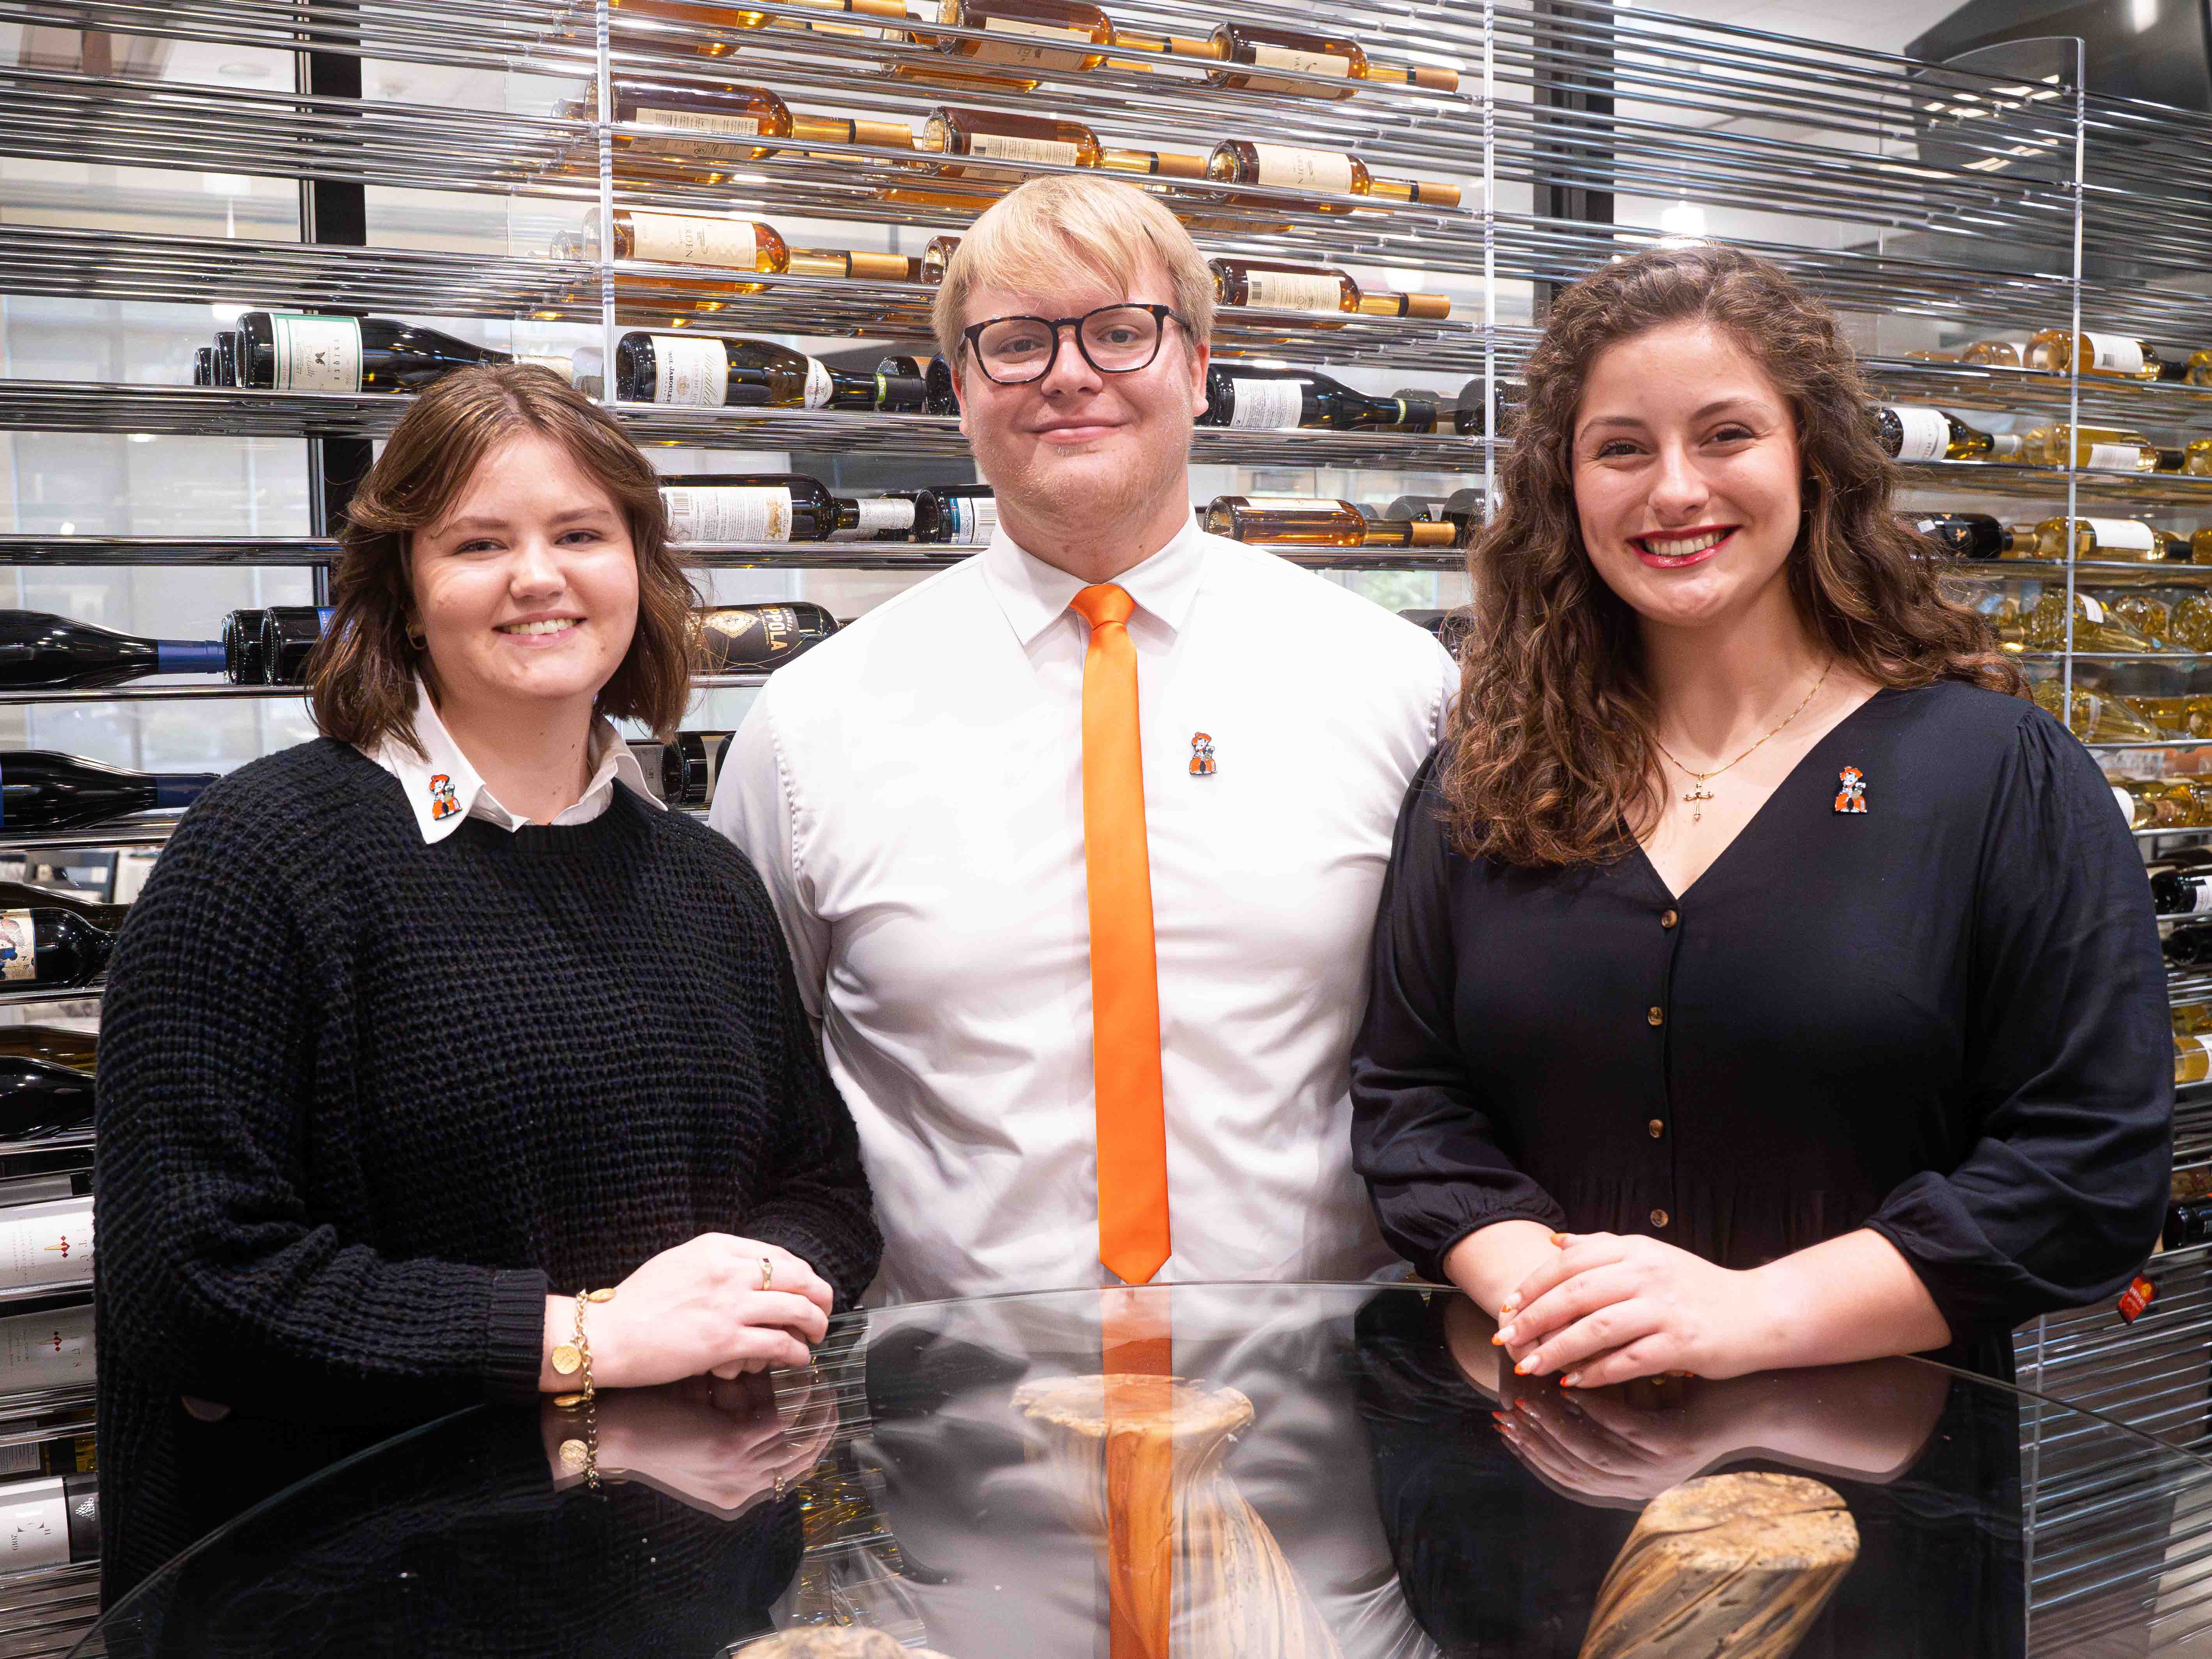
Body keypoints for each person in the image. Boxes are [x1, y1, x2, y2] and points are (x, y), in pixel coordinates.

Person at [94, 365, 880, 1601]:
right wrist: (588, 1338)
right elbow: (192, 1281)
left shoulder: (700, 876)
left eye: (580, 533)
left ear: (641, 570)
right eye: (477, 542)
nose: (537, 576)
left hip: (677, 1580)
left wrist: (758, 1286)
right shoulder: (264, 858)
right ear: (403, 593)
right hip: (357, 1600)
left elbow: (821, 1186)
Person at [1350, 242, 2171, 1387]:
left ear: (1814, 462)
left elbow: (2086, 1166)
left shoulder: (1993, 774)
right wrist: (1562, 1295)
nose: (1673, 488)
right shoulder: (1481, 782)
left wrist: (1746, 1317)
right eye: (1620, 448)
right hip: (1531, 1446)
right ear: (1563, 489)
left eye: (1726, 434)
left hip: (1882, 1482)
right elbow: (1409, 1102)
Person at [713, 174, 1456, 1302]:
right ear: (960, 391)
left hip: (1320, 1411)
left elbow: (1454, 1057)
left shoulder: (1397, 691)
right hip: (948, 1421)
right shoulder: (809, 729)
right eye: (1015, 343)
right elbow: (758, 1091)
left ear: (1199, 370)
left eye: (1120, 332)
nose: (1068, 375)